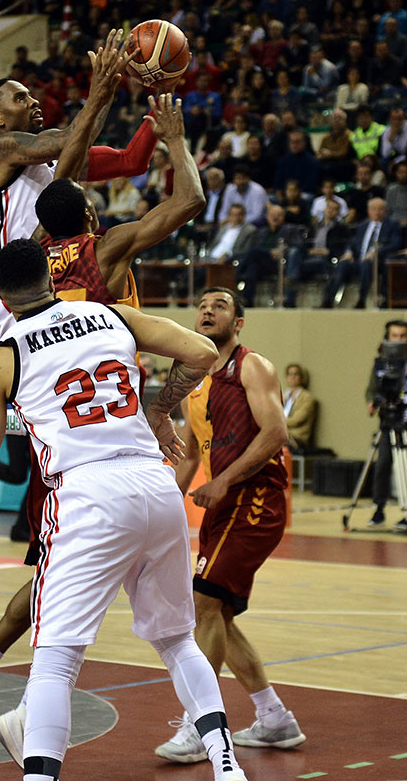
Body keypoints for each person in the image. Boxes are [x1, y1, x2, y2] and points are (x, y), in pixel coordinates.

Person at [0, 91, 207, 764]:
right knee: (100, 593)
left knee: (64, 570)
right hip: (99, 433)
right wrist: (165, 129)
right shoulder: (99, 246)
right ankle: (2, 687)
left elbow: (76, 162)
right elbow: (180, 201)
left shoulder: (38, 256)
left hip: (59, 403)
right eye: (17, 97)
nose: (29, 101)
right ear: (85, 212)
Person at [0, 238, 248, 781]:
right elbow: (202, 352)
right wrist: (156, 407)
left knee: (55, 659)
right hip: (155, 483)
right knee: (177, 640)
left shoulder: (3, 356)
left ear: (3, 299)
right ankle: (226, 765)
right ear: (52, 281)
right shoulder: (109, 313)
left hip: (86, 495)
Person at [154, 287, 305, 764]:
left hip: (257, 496)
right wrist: (165, 501)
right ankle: (275, 717)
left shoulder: (251, 366)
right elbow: (194, 451)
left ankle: (203, 727)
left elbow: (276, 433)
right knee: (217, 614)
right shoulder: (193, 378)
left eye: (219, 306)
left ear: (237, 323)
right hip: (226, 500)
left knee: (204, 603)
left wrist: (221, 482)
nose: (207, 311)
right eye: (202, 305)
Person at [0, 29, 161, 346]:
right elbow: (69, 140)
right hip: (10, 282)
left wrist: (160, 100)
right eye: (20, 98)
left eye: (31, 95)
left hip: (50, 272)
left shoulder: (52, 162)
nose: (33, 101)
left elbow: (131, 161)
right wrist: (99, 90)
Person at [365, 319, 407, 531]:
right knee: (383, 464)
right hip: (388, 422)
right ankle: (378, 508)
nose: (398, 340)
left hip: (406, 421)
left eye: (403, 336)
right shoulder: (380, 363)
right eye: (395, 336)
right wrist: (372, 401)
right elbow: (373, 389)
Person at [322, 198, 401, 309]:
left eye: (380, 209)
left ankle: (361, 300)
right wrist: (349, 252)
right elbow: (353, 243)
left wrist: (375, 252)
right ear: (368, 211)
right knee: (343, 263)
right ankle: (328, 301)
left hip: (378, 262)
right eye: (374, 209)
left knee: (366, 263)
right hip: (358, 260)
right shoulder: (363, 225)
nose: (377, 212)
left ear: (385, 211)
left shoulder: (392, 225)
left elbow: (395, 244)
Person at [283, 364, 317, 449]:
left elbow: (296, 421)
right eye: (290, 374)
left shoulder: (307, 398)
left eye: (296, 374)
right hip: (280, 434)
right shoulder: (283, 396)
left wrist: (274, 424)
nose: (292, 377)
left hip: (296, 438)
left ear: (301, 378)